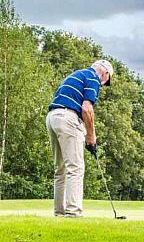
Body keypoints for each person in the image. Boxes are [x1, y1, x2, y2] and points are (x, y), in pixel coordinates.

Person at [46, 59, 113, 217]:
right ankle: (73, 212)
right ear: (105, 73)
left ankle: (59, 213)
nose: (103, 84)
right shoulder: (93, 78)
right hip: (68, 117)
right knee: (75, 168)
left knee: (60, 169)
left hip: (52, 117)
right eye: (106, 81)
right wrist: (91, 136)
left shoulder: (76, 74)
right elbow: (87, 108)